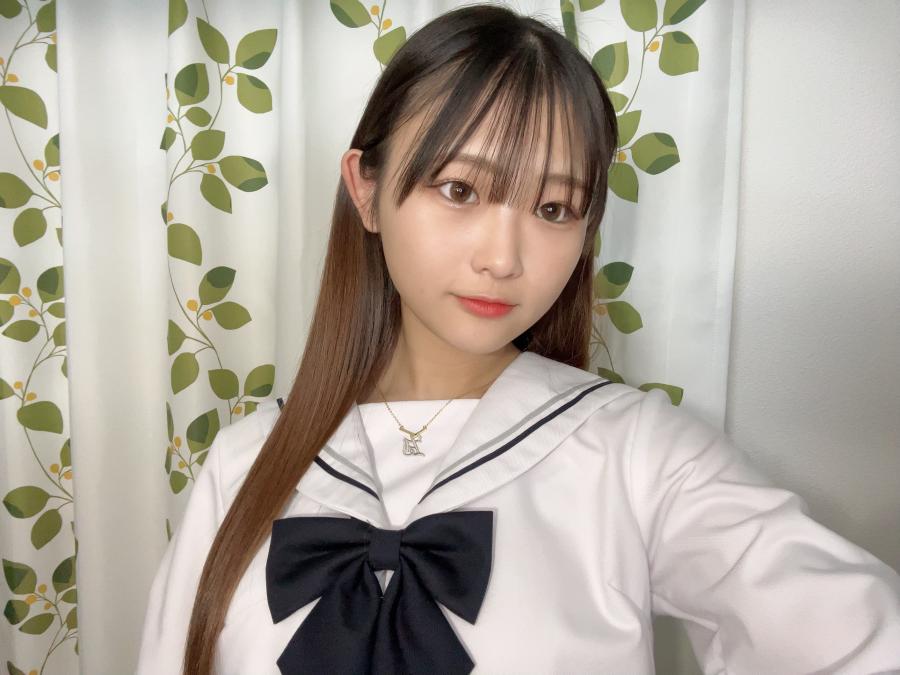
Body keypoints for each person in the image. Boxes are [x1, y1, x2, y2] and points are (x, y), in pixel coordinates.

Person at [135, 4, 900, 674]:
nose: (503, 258)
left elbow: (856, 637)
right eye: (459, 189)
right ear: (366, 188)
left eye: (555, 208)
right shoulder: (242, 464)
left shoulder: (639, 457)